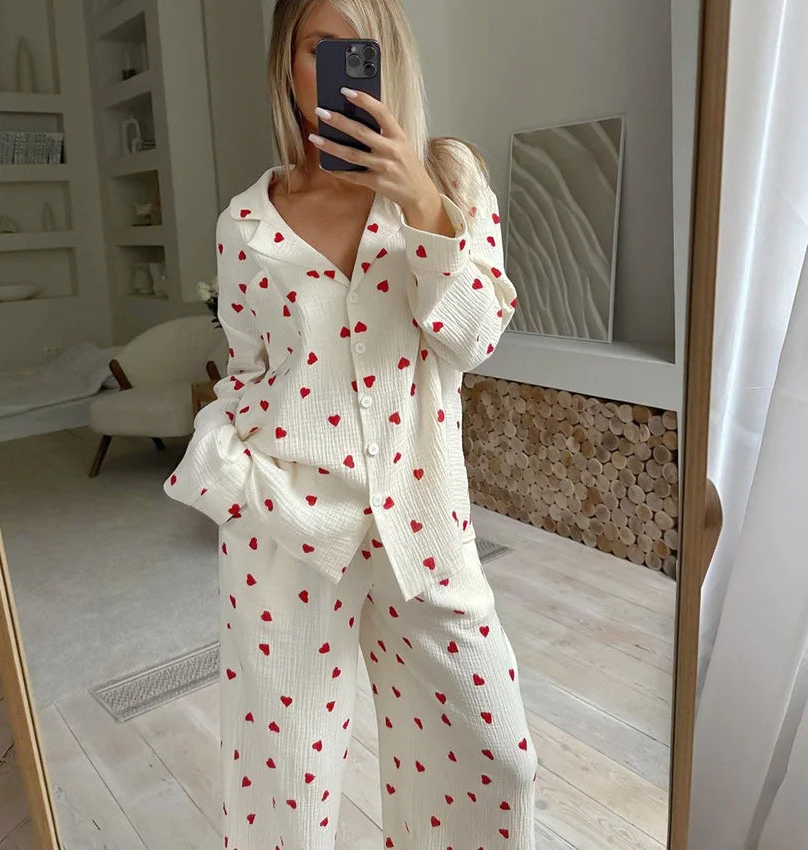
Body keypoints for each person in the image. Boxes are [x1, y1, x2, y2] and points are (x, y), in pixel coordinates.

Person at [163, 0, 538, 847]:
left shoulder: (449, 179)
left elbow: (477, 338)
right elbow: (249, 372)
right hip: (285, 527)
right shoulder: (244, 223)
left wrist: (420, 202)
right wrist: (231, 470)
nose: (337, 68)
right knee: (284, 789)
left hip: (424, 525)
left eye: (358, 48)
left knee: (495, 762)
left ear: (389, 55)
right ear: (287, 65)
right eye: (318, 48)